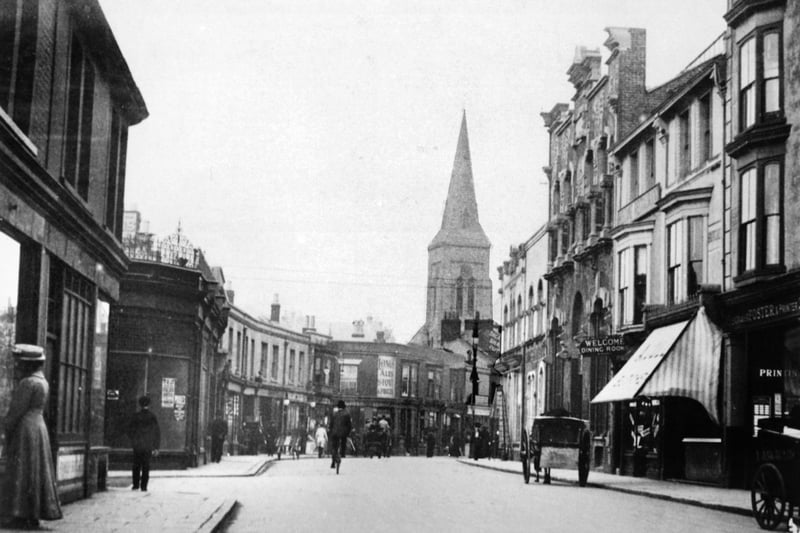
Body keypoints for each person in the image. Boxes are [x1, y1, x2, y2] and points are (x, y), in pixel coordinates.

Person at [1, 344, 62, 529]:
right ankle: (33, 514)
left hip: (25, 429)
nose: (18, 367)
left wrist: (6, 426)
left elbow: (16, 411)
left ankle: (19, 513)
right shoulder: (43, 382)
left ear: (27, 364)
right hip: (39, 426)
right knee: (36, 470)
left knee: (21, 470)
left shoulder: (27, 383)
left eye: (20, 363)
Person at [127, 395, 161, 491]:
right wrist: (156, 447)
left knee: (136, 465)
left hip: (137, 445)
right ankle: (144, 486)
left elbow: (130, 430)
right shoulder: (152, 417)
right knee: (146, 465)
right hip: (148, 445)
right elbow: (157, 432)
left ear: (140, 404)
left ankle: (135, 484)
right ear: (149, 404)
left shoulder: (136, 416)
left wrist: (133, 441)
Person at [329, 400, 352, 470]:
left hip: (335, 433)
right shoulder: (347, 414)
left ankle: (333, 461)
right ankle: (342, 453)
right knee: (343, 442)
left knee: (334, 447)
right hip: (343, 433)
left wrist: (331, 431)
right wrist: (348, 432)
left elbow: (331, 424)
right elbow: (349, 425)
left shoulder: (334, 414)